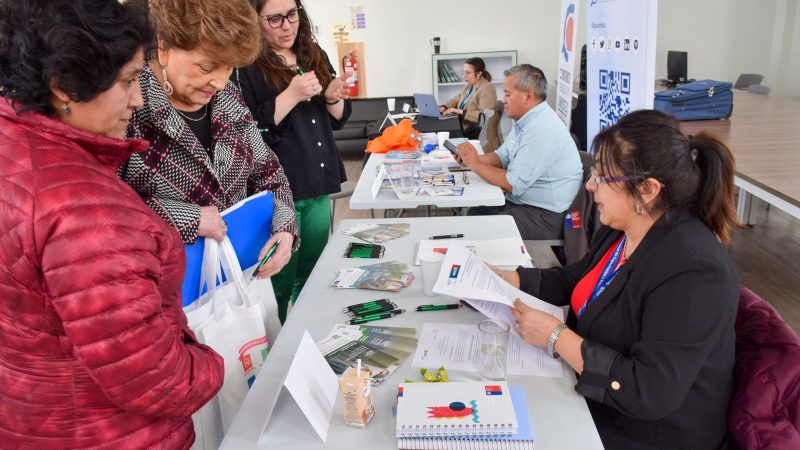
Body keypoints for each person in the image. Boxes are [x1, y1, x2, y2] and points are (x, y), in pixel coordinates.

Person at [0, 0, 223, 447]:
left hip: (32, 417)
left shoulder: (15, 148)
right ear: (64, 87)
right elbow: (158, 379)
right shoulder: (86, 211)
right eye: (126, 82)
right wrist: (212, 363)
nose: (138, 99)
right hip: (113, 432)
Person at [495, 109, 740, 449]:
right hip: (596, 398)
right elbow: (577, 280)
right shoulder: (625, 228)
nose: (591, 185)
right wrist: (508, 279)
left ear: (648, 189)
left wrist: (556, 337)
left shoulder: (695, 271)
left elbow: (650, 391)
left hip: (648, 432)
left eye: (603, 176)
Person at [120, 0, 298, 283]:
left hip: (241, 280)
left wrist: (285, 227)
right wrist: (186, 218)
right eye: (207, 66)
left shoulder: (228, 96)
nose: (218, 81)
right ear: (163, 47)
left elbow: (268, 170)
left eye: (228, 68)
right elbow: (108, 209)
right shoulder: (129, 107)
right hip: (166, 292)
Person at [238, 0, 351, 323]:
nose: (287, 25)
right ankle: (278, 351)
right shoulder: (247, 65)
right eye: (274, 19)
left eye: (292, 15)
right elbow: (250, 130)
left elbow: (335, 121)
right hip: (278, 191)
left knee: (314, 275)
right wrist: (291, 95)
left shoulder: (313, 54)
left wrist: (332, 98)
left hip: (317, 178)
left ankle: (309, 338)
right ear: (256, 19)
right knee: (279, 282)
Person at [456, 64, 583, 240]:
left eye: (508, 94)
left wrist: (475, 164)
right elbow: (501, 156)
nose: (503, 100)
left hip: (546, 216)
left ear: (528, 96)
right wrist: (472, 158)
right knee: (476, 213)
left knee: (483, 230)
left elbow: (514, 184)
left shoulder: (541, 130)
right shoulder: (526, 120)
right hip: (524, 204)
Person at [439, 57, 498, 139]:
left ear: (478, 74)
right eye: (463, 72)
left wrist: (459, 111)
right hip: (462, 127)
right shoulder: (469, 85)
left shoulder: (487, 88)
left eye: (468, 73)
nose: (464, 76)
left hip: (474, 133)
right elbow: (457, 98)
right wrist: (444, 107)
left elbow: (484, 117)